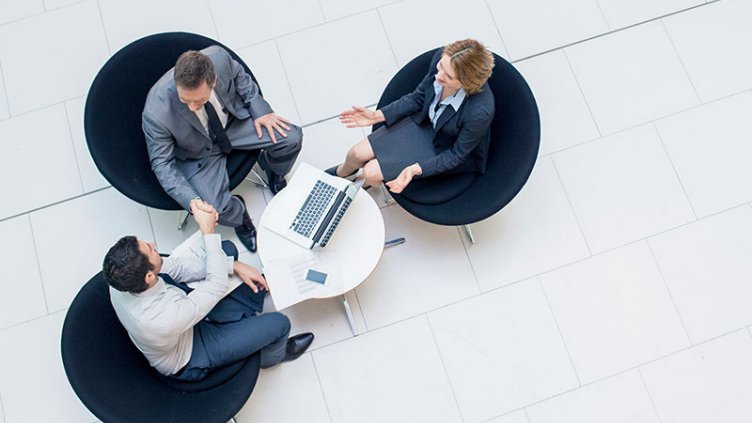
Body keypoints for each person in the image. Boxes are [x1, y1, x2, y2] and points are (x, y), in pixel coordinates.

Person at [103, 198, 314, 381]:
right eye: (150, 249)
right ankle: (270, 356)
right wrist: (208, 231)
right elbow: (216, 285)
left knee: (225, 252)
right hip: (191, 352)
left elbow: (174, 267)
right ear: (149, 277)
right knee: (279, 324)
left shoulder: (120, 280)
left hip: (179, 317)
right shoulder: (160, 319)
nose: (153, 243)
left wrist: (233, 265)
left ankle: (244, 314)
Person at [143, 46, 303, 253]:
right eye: (186, 100)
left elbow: (240, 77)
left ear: (214, 81)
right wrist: (193, 203)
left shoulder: (219, 58)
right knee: (216, 209)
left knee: (291, 138)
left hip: (233, 124)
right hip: (197, 153)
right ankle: (241, 217)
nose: (192, 107)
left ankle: (274, 170)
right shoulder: (155, 114)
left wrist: (260, 110)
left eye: (199, 100)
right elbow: (162, 164)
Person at [328, 39, 495, 194]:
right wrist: (376, 116)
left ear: (466, 84)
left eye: (449, 77)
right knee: (356, 154)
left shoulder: (479, 112)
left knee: (370, 173)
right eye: (441, 66)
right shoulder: (441, 59)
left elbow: (456, 155)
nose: (439, 76)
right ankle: (341, 173)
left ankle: (355, 188)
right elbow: (418, 97)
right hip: (424, 123)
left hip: (443, 146)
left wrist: (416, 168)